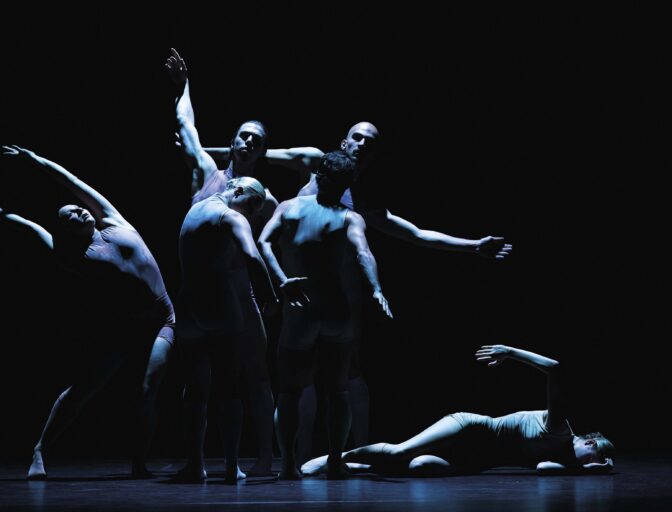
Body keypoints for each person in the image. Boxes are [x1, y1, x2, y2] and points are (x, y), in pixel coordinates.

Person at [206, 120, 513, 459]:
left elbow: (416, 233)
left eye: (370, 140)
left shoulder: (363, 204)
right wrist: (204, 154)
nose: (362, 143)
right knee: (298, 378)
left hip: (338, 294)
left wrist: (472, 246)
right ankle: (297, 456)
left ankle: (358, 450)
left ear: (375, 153)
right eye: (357, 137)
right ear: (344, 140)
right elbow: (252, 152)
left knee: (345, 374)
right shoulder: (314, 162)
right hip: (297, 288)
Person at [0, 145, 175, 479]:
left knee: (149, 388)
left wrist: (36, 161)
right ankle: (39, 451)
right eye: (71, 218)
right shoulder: (74, 257)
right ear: (68, 232)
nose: (79, 212)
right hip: (123, 329)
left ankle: (139, 461)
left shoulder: (113, 221)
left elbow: (71, 182)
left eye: (77, 210)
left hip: (162, 319)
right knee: (84, 388)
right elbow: (30, 229)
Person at [166, 48, 293, 475]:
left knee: (254, 373)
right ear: (234, 140)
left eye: (257, 140)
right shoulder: (206, 173)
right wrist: (183, 84)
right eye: (244, 135)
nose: (249, 141)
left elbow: (267, 245)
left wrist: (276, 289)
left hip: (239, 290)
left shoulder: (263, 198)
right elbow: (186, 126)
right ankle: (195, 460)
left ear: (262, 151)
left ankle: (262, 458)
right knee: (196, 380)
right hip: (201, 289)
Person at [258, 151, 393, 480]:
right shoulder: (348, 217)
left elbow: (263, 241)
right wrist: (375, 288)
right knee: (337, 390)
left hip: (303, 309)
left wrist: (281, 281)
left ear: (319, 177)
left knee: (291, 391)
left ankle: (291, 464)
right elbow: (363, 252)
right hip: (334, 311)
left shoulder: (290, 207)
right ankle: (333, 460)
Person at [301, 344, 615, 477]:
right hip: (471, 428)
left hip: (476, 460)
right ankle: (337, 457)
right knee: (400, 453)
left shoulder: (561, 458)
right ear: (589, 442)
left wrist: (590, 471)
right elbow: (557, 370)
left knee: (419, 467)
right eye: (595, 459)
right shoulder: (560, 425)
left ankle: (358, 469)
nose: (592, 465)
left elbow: (545, 469)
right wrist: (511, 352)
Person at [175, 176, 279, 482]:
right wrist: (270, 297)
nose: (253, 212)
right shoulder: (230, 216)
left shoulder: (195, 210)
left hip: (188, 305)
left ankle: (195, 463)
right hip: (218, 304)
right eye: (253, 204)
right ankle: (232, 464)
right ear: (237, 190)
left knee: (195, 390)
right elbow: (251, 255)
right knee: (228, 387)